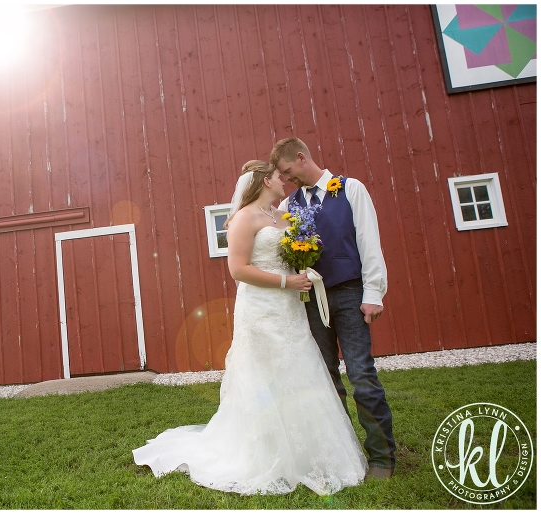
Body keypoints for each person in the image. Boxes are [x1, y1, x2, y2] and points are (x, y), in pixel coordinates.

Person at [132, 160, 367, 495]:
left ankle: (309, 452)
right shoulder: (243, 219)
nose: (284, 181)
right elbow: (238, 269)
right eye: (277, 177)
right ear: (263, 181)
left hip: (290, 307)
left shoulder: (284, 216)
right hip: (261, 307)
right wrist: (287, 280)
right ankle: (266, 452)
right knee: (266, 374)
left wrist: (304, 261)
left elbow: (297, 249)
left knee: (300, 369)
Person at [271, 137, 396, 479]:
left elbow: (369, 241)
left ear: (301, 157)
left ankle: (382, 458)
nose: (286, 180)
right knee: (325, 380)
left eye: (287, 172)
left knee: (361, 373)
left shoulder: (350, 188)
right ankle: (344, 455)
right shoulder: (289, 204)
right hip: (311, 301)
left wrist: (374, 293)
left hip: (350, 294)